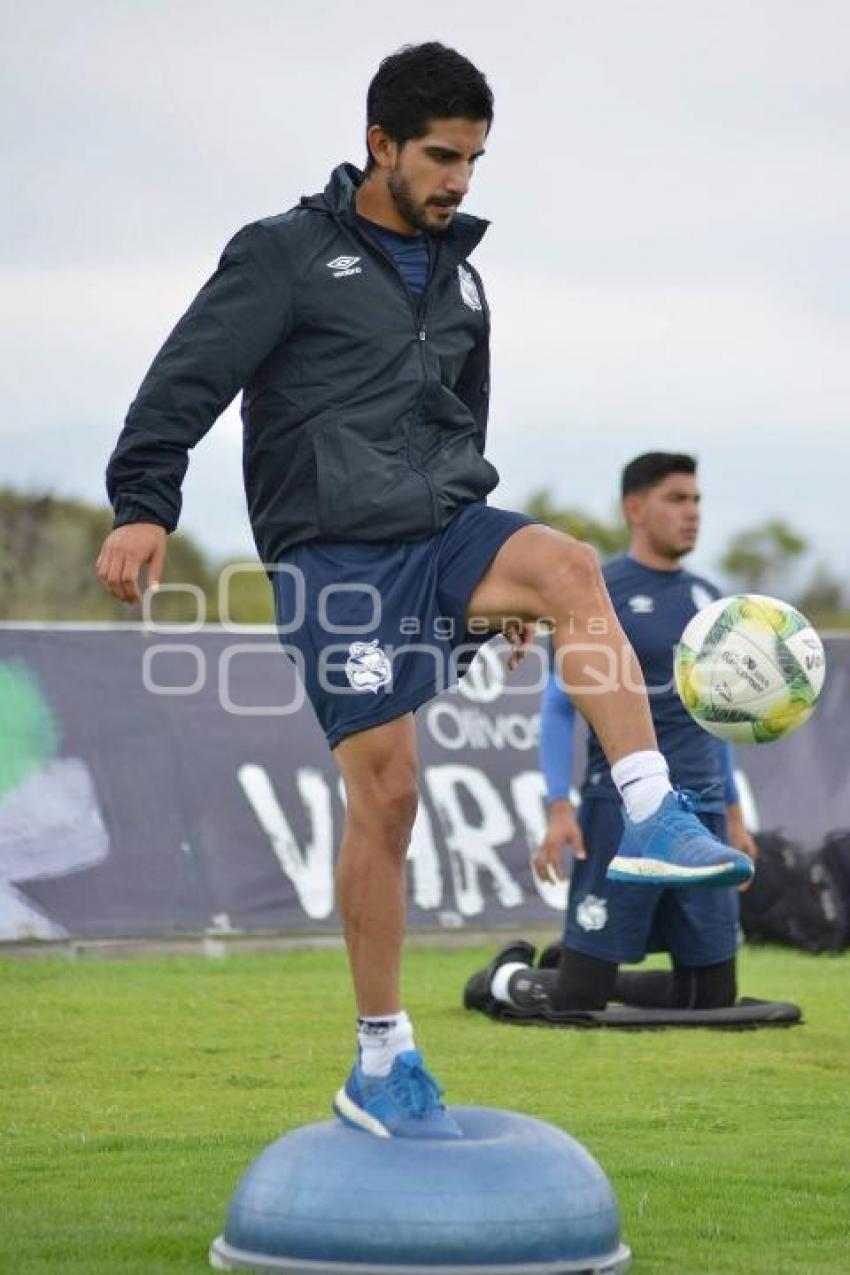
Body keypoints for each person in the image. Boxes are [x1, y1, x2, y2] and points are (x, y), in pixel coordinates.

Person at [96, 45, 752, 1140]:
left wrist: (494, 596)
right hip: (333, 558)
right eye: (441, 157)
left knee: (566, 566)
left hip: (442, 532)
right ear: (380, 145)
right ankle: (381, 1057)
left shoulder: (464, 275)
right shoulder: (283, 254)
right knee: (390, 795)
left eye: (474, 161)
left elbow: (462, 423)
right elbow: (187, 374)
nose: (458, 180)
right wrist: (142, 501)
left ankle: (651, 812)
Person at [483, 452, 759, 1019]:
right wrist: (560, 805)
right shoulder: (596, 591)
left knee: (712, 998)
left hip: (702, 815)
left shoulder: (713, 601)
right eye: (676, 499)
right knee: (578, 999)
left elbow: (719, 712)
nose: (692, 513)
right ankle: (504, 978)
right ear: (635, 507)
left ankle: (565, 967)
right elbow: (560, 707)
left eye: (697, 500)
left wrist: (733, 811)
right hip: (621, 812)